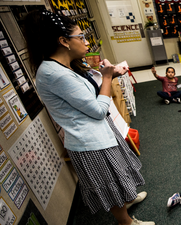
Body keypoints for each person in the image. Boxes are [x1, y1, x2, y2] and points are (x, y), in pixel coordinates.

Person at [24, 10, 152, 224]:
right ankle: (126, 221)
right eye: (81, 37)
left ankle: (124, 204)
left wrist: (107, 75)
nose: (86, 42)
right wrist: (108, 78)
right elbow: (97, 109)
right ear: (64, 41)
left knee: (117, 176)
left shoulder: (64, 66)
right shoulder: (53, 73)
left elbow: (86, 94)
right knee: (109, 182)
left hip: (100, 134)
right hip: (90, 142)